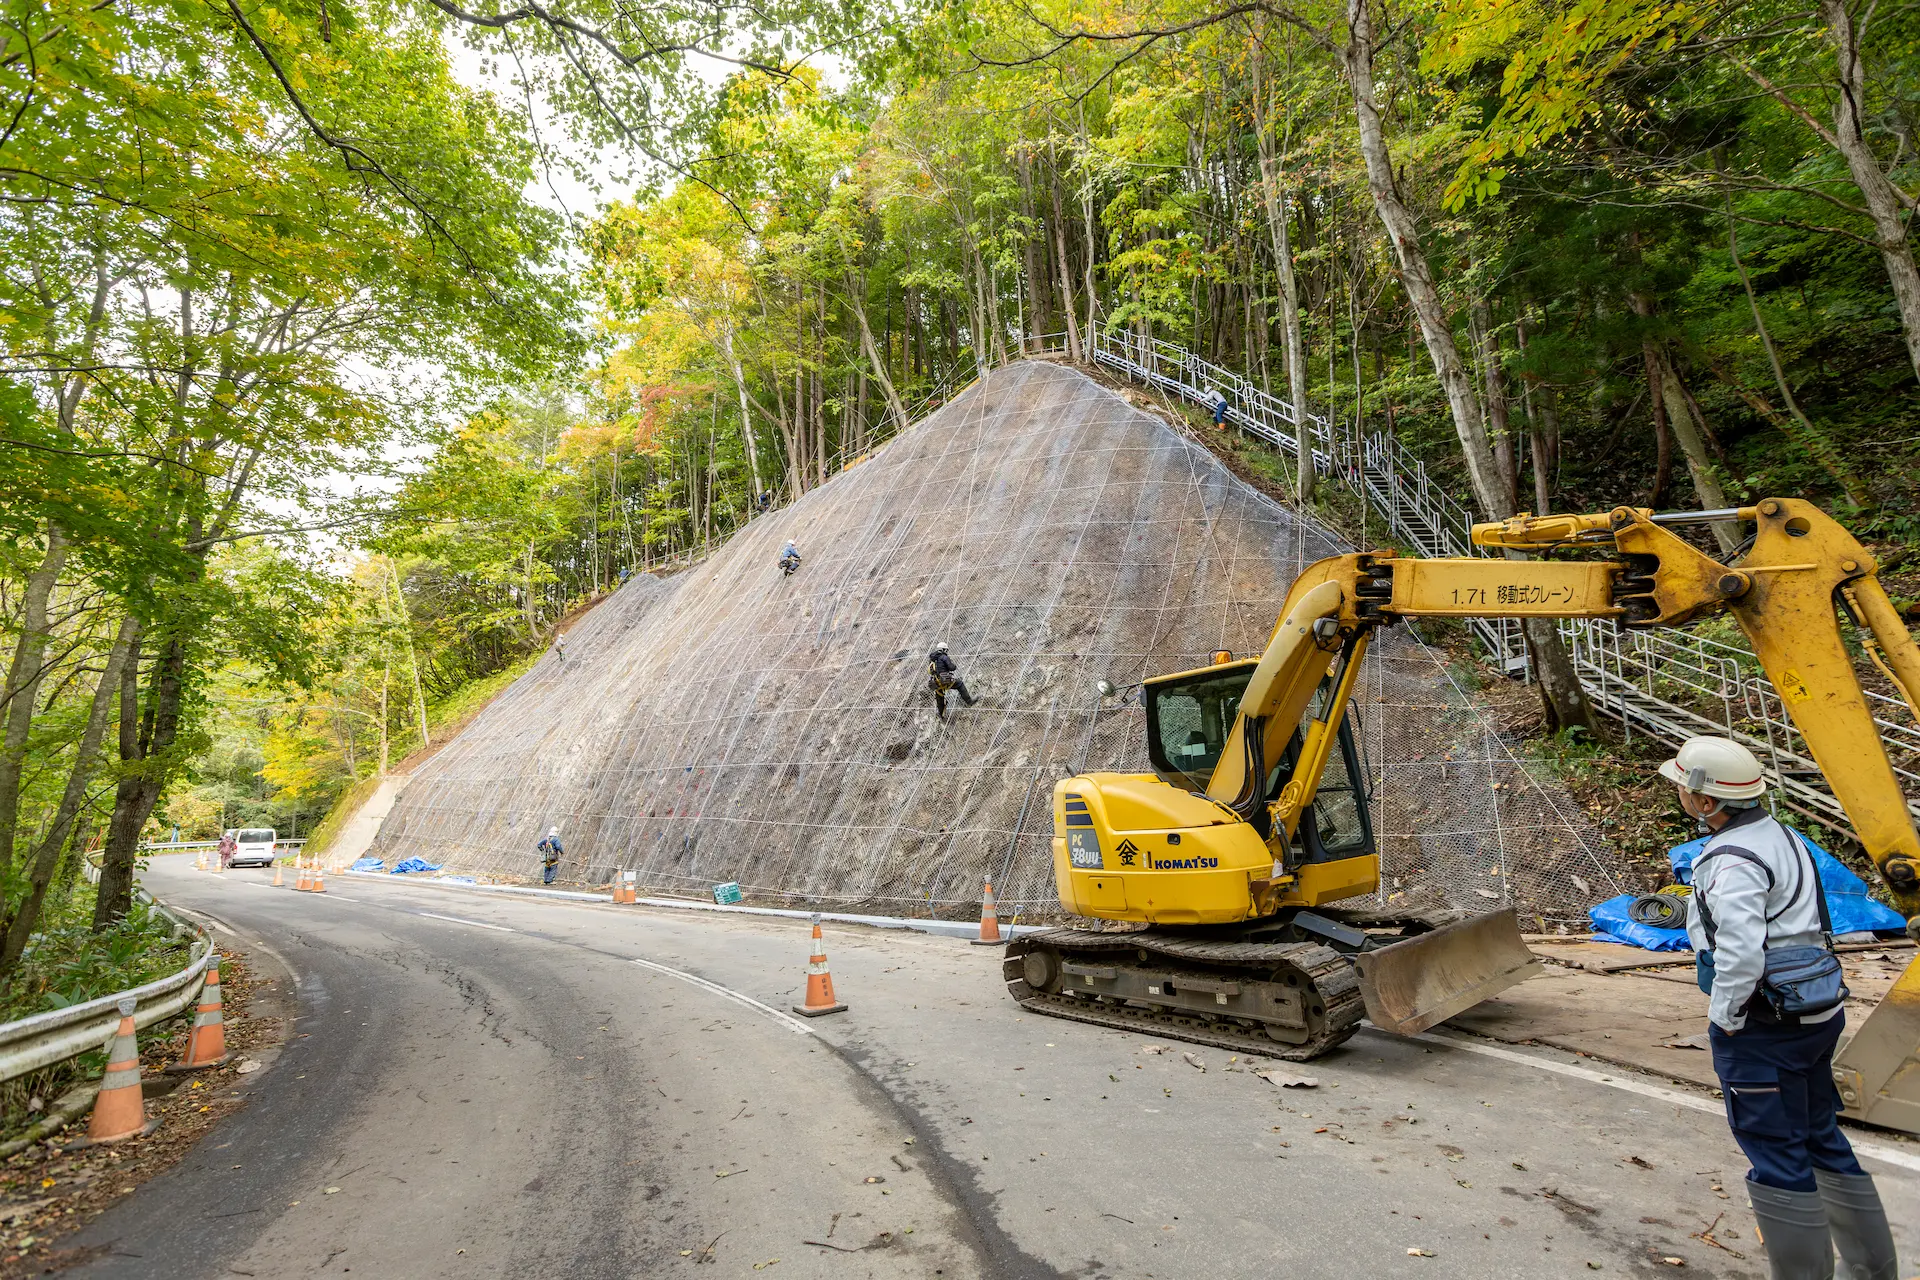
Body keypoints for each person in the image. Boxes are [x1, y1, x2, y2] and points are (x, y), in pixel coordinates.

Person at [1664, 735, 1897, 1280]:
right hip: (1815, 1013)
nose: (1677, 791)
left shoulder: (1729, 860)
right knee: (1821, 1137)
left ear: (1706, 800)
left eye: (1682, 784)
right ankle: (1871, 1271)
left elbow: (1741, 955)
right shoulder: (1782, 837)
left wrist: (1724, 1019)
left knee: (1776, 1154)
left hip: (1764, 1025)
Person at [927, 641, 976, 719]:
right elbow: (952, 667)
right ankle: (969, 701)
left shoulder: (932, 659)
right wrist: (953, 665)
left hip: (936, 682)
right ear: (944, 650)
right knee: (959, 684)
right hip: (944, 680)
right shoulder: (944, 657)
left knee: (940, 695)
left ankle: (940, 714)